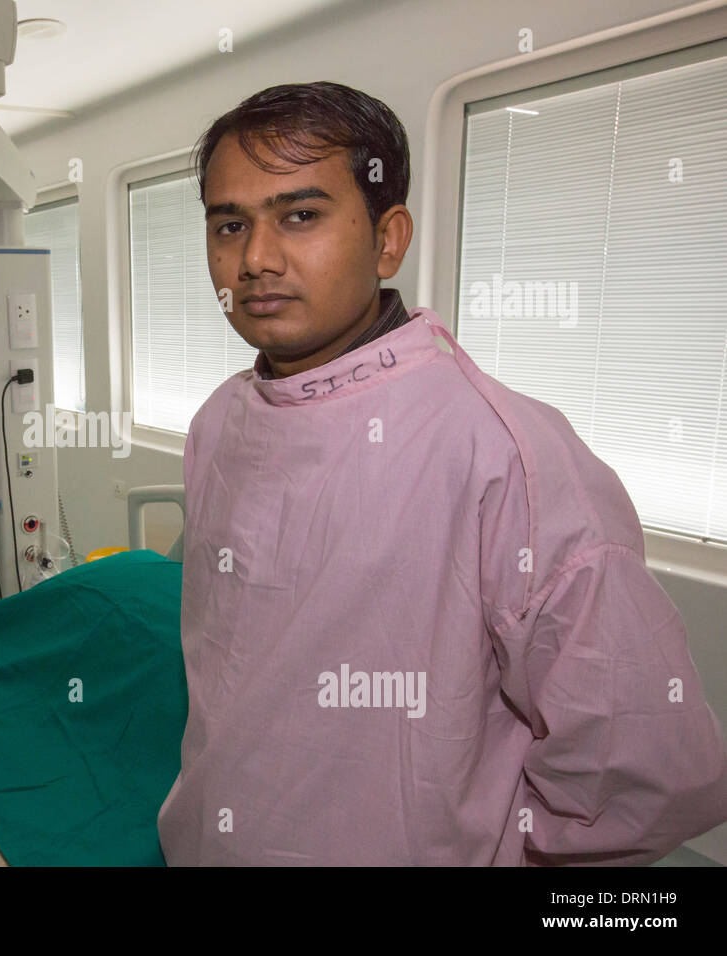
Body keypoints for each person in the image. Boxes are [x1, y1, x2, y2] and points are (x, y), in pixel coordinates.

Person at [156, 81, 727, 865]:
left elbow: (647, 768)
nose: (255, 259)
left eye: (300, 215)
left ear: (388, 240)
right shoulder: (222, 420)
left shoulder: (503, 452)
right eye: (230, 224)